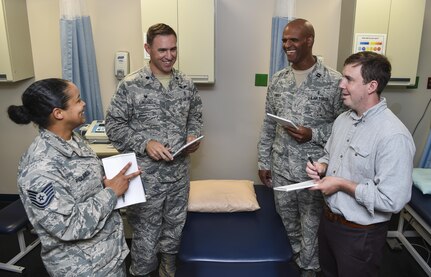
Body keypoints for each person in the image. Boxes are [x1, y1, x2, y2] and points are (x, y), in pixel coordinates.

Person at [7, 78, 141, 276]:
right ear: (58, 113)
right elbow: (68, 226)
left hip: (108, 255)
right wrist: (111, 192)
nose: (84, 103)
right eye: (78, 100)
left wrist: (105, 183)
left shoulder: (73, 138)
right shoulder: (39, 168)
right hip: (83, 267)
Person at [105, 23, 203, 277]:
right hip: (145, 178)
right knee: (146, 236)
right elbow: (113, 126)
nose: (169, 56)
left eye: (173, 49)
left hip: (178, 175)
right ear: (148, 49)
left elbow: (195, 116)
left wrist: (193, 135)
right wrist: (144, 143)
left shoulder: (186, 84)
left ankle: (168, 267)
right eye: (162, 50)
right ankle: (141, 271)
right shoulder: (130, 85)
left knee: (174, 227)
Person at [306, 51, 415, 277]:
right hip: (329, 223)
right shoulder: (343, 119)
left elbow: (392, 200)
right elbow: (329, 155)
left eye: (349, 79)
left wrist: (342, 185)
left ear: (371, 86)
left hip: (360, 235)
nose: (340, 84)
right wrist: (323, 167)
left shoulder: (393, 136)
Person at [257, 18, 345, 276]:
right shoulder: (278, 80)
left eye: (293, 40)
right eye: (284, 41)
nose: (287, 45)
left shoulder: (333, 81)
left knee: (311, 225)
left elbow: (346, 128)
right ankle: (298, 256)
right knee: (287, 221)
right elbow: (268, 123)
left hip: (313, 172)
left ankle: (310, 269)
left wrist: (312, 133)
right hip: (280, 166)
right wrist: (263, 161)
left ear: (309, 40)